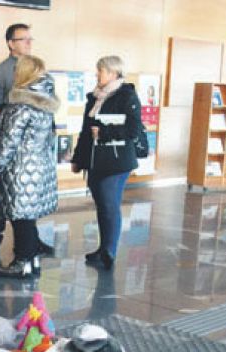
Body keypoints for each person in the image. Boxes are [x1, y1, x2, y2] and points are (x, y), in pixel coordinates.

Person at [0, 56, 59, 278]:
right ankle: (32, 260)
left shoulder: (18, 107)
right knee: (27, 216)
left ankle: (22, 262)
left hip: (18, 171)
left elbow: (6, 143)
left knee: (20, 219)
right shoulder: (45, 105)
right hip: (38, 169)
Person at [71, 55, 143, 270]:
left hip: (117, 161)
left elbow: (133, 129)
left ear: (113, 73)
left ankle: (109, 251)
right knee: (102, 205)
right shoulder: (95, 97)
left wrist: (104, 132)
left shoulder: (127, 95)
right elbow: (86, 131)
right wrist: (78, 159)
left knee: (109, 204)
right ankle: (104, 248)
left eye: (100, 70)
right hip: (96, 161)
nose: (97, 74)